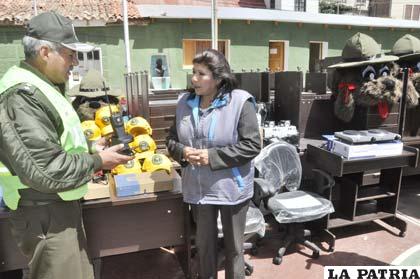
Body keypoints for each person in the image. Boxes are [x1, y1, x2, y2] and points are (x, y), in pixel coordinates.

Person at [0, 11, 133, 279]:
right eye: (70, 54)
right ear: (45, 52)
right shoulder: (22, 95)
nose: (75, 62)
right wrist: (98, 162)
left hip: (56, 207)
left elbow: (52, 142)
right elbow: (46, 169)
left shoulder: (44, 86)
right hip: (44, 212)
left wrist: (90, 147)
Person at [166, 49, 261, 279]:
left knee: (234, 249)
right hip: (200, 189)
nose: (194, 79)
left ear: (218, 79)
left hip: (232, 188)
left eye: (201, 73)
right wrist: (183, 152)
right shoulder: (184, 103)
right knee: (204, 247)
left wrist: (212, 157)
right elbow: (170, 140)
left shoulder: (239, 102)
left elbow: (252, 145)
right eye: (193, 72)